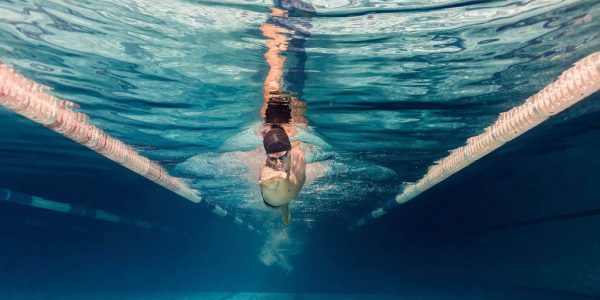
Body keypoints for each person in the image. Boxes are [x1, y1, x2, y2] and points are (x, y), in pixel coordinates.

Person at [258, 1, 314, 224]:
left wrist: (274, 176)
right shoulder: (279, 194)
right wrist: (284, 215)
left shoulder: (279, 186)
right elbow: (273, 189)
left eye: (275, 158)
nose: (277, 162)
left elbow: (267, 180)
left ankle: (282, 17)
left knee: (281, 74)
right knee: (290, 76)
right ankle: (295, 26)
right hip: (282, 129)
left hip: (280, 125)